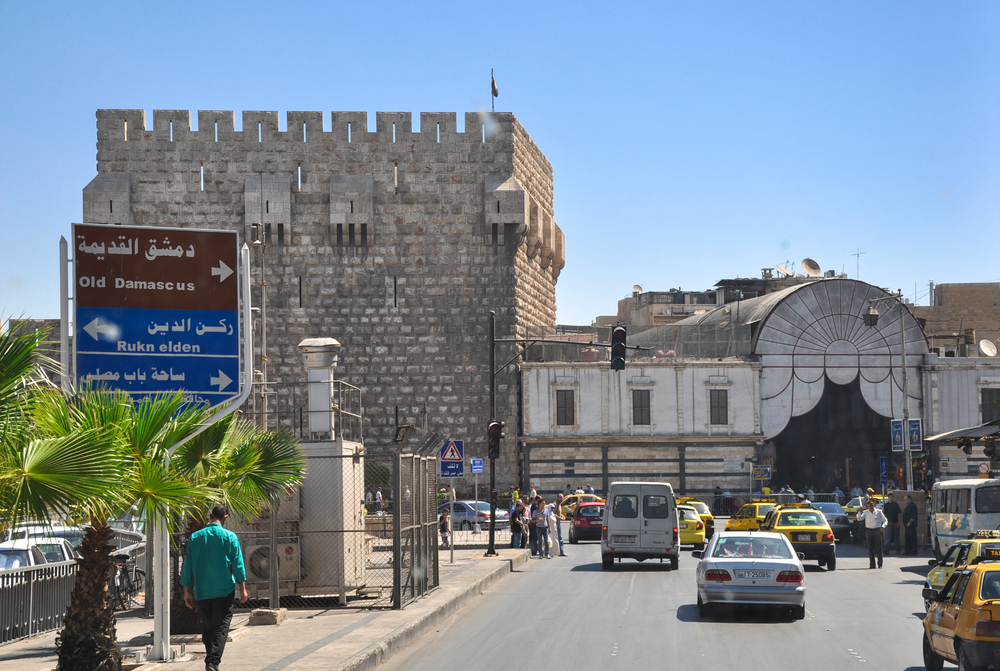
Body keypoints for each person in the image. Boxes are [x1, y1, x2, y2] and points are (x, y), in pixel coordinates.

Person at [181, 504, 248, 671]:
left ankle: (211, 659)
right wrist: (242, 588)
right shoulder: (230, 537)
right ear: (225, 517)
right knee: (221, 626)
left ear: (210, 517)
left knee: (208, 625)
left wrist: (186, 590)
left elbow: (187, 565)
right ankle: (212, 662)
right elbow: (237, 564)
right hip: (223, 589)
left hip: (202, 590)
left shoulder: (195, 537)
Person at [857, 498, 888, 568]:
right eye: (869, 504)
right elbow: (859, 519)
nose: (870, 505)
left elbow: (885, 520)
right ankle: (872, 564)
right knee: (870, 548)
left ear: (874, 504)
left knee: (879, 548)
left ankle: (880, 564)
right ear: (867, 505)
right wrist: (859, 511)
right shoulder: (865, 512)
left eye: (871, 504)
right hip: (869, 531)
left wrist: (883, 526)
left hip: (877, 530)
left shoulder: (879, 512)